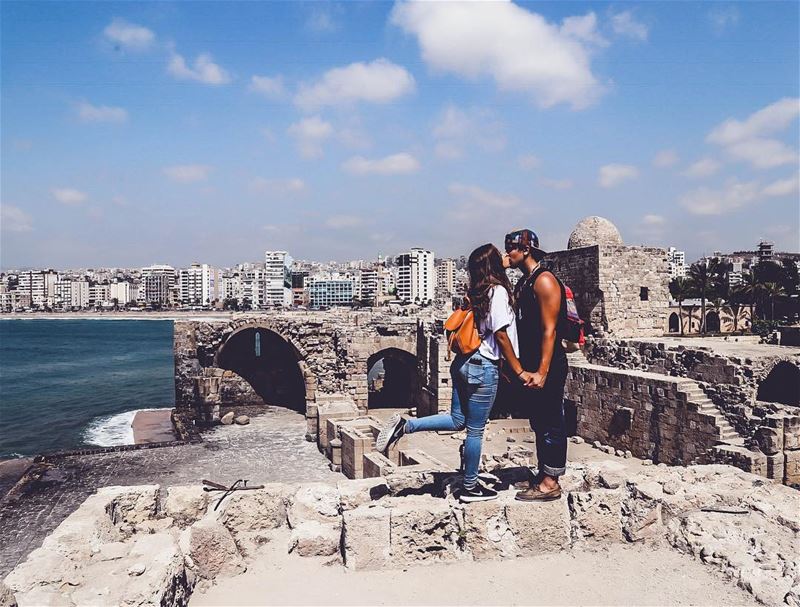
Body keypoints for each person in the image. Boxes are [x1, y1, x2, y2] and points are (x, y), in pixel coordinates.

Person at [375, 243, 533, 503]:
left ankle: (406, 425)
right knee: (475, 431)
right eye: (500, 256)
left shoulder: (476, 291)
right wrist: (517, 370)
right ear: (493, 264)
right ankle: (470, 486)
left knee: (458, 419)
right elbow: (502, 335)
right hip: (483, 365)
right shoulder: (499, 292)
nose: (506, 257)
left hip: (462, 362)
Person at [504, 229, 569, 502]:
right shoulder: (526, 282)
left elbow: (549, 331)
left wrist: (542, 371)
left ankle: (550, 481)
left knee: (551, 420)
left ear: (526, 249)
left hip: (549, 366)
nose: (508, 253)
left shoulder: (544, 281)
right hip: (534, 365)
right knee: (540, 422)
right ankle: (544, 473)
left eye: (511, 248)